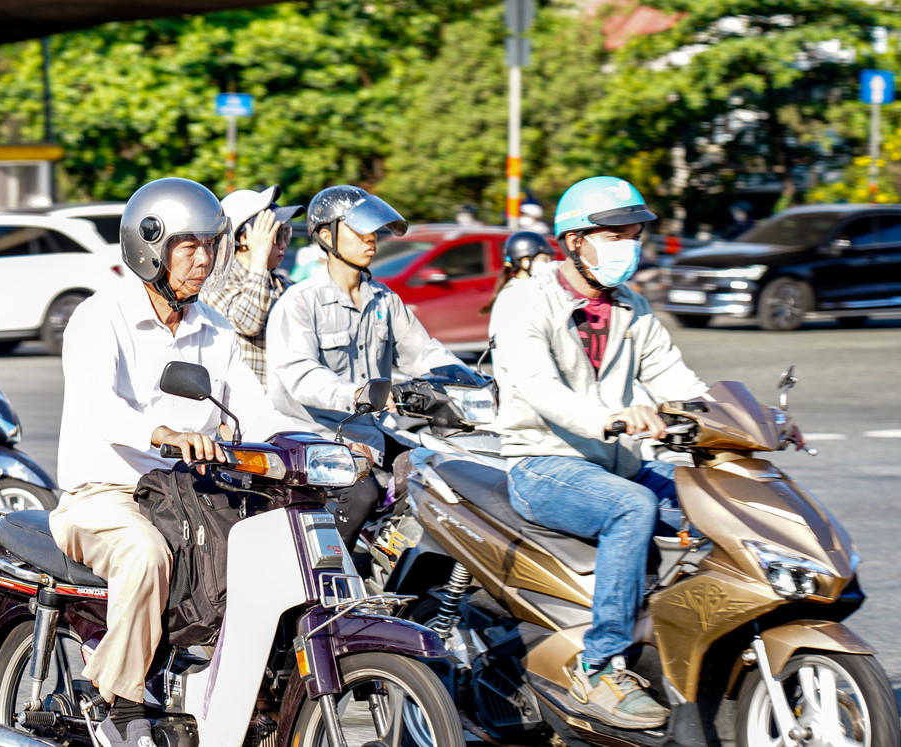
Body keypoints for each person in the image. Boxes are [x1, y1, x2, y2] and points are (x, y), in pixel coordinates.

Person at [52, 177, 294, 747]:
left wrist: (316, 445)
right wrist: (162, 432)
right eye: (188, 247)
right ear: (149, 248)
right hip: (105, 496)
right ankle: (119, 700)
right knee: (145, 553)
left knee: (271, 552)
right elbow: (97, 405)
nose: (203, 260)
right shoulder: (99, 316)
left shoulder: (214, 327)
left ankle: (246, 693)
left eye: (209, 245)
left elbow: (256, 410)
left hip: (190, 496)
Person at [488, 176, 707, 730]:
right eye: (614, 236)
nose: (628, 247)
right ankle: (601, 664)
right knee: (633, 507)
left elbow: (674, 378)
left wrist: (737, 420)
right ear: (575, 240)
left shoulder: (632, 307)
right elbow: (539, 386)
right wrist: (609, 418)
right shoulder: (524, 301)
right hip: (543, 463)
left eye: (633, 236)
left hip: (619, 462)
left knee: (711, 502)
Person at [266, 185, 467, 549]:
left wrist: (467, 379)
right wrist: (357, 394)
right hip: (311, 437)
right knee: (362, 495)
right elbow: (301, 375)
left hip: (369, 433)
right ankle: (328, 572)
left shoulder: (384, 300)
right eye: (359, 230)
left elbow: (424, 352)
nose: (371, 238)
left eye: (373, 230)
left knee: (440, 472)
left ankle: (393, 564)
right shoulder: (300, 302)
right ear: (326, 236)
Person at [200, 185, 300, 385]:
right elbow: (248, 322)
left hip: (284, 400)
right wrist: (260, 255)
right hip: (241, 400)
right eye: (277, 234)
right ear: (244, 238)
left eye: (286, 233)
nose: (283, 244)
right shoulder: (214, 282)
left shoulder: (286, 285)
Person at [479, 230, 556, 315]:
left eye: (550, 259)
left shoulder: (533, 288)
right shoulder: (519, 294)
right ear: (525, 262)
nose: (549, 263)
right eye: (544, 259)